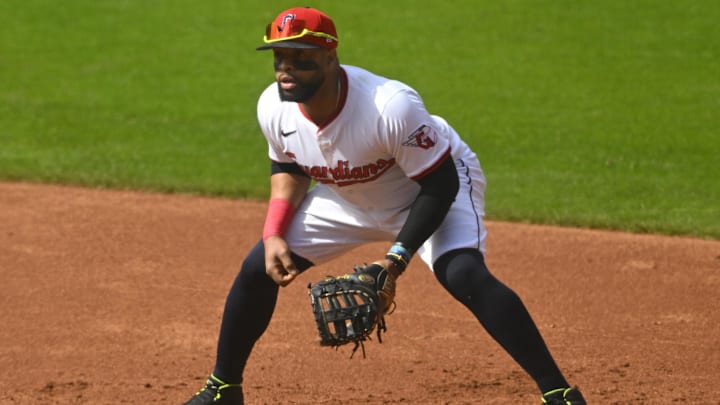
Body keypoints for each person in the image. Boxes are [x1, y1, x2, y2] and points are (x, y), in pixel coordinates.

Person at [182, 6, 587, 405]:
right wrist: (272, 233)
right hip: (347, 196)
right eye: (280, 56)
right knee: (258, 269)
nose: (287, 68)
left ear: (330, 56)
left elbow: (440, 183)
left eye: (301, 58)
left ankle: (558, 392)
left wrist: (394, 261)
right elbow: (288, 166)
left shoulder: (389, 106)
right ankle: (223, 388)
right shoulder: (273, 106)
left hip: (424, 189)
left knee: (463, 274)